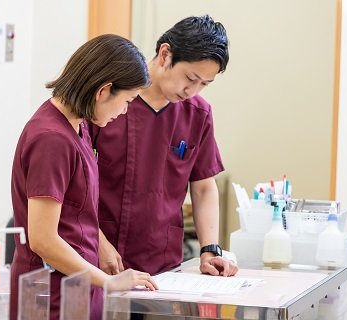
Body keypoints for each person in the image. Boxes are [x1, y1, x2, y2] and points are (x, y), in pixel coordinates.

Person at [10, 34, 158, 320]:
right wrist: (110, 282)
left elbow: (73, 207)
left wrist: (101, 245)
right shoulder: (51, 139)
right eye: (127, 100)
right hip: (49, 296)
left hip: (76, 286)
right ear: (103, 91)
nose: (125, 110)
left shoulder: (77, 125)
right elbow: (42, 240)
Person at [89, 15, 239, 278]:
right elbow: (74, 186)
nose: (193, 91)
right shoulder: (110, 99)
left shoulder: (197, 114)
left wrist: (210, 250)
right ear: (165, 54)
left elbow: (203, 187)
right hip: (99, 255)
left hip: (161, 263)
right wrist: (98, 242)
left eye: (204, 84)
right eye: (190, 78)